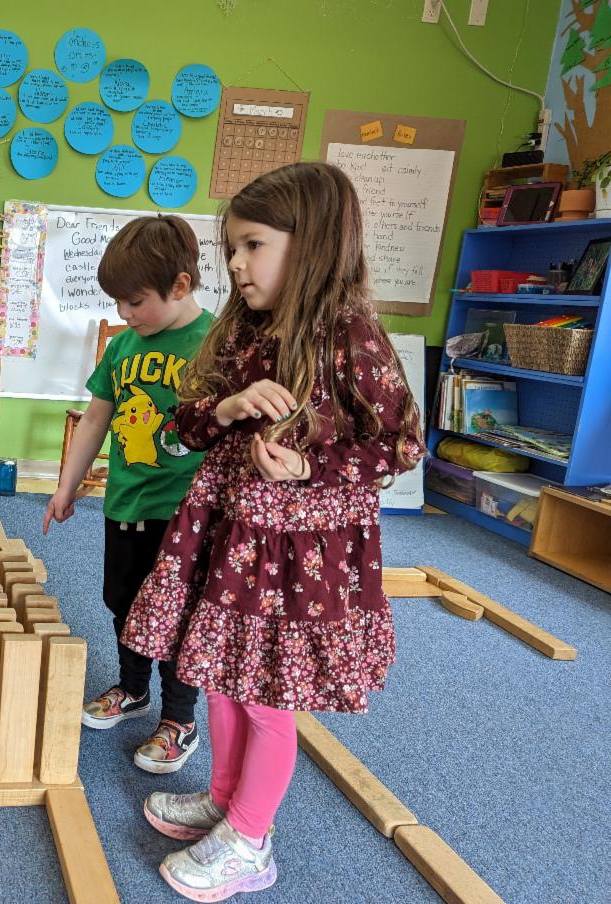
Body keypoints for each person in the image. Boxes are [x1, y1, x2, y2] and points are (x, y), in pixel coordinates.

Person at [121, 163, 424, 901]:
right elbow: (187, 425)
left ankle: (251, 839)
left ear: (311, 244)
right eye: (231, 247)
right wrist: (226, 410)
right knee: (222, 673)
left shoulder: (351, 336)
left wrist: (310, 467)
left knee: (267, 694)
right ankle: (226, 802)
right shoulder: (242, 331)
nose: (235, 263)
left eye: (253, 245)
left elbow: (402, 444)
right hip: (233, 532)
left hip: (300, 553)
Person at [43, 216, 212, 774]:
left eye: (135, 302)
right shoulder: (123, 347)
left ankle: (179, 718)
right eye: (118, 302)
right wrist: (66, 486)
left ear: (180, 286)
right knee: (124, 601)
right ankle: (133, 689)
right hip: (126, 502)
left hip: (186, 512)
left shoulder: (215, 345)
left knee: (179, 613)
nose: (125, 313)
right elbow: (96, 418)